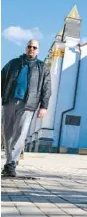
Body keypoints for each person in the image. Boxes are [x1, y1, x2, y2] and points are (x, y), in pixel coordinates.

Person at [1, 39, 51, 177]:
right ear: (26, 48)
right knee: (7, 132)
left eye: (35, 47)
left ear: (38, 50)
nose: (32, 49)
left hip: (28, 104)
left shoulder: (42, 67)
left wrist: (44, 106)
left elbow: (46, 88)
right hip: (9, 101)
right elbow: (2, 78)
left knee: (20, 133)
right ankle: (9, 161)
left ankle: (11, 164)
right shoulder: (13, 63)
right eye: (29, 46)